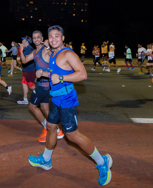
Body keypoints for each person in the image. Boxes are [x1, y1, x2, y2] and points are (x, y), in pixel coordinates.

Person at [28, 25, 112, 186]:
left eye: (56, 36)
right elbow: (56, 73)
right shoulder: (53, 54)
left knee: (72, 136)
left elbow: (82, 74)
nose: (53, 39)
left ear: (63, 38)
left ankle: (102, 162)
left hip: (67, 99)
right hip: (55, 99)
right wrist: (43, 73)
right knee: (51, 127)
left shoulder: (68, 54)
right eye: (51, 36)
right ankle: (45, 160)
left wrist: (60, 79)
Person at [19, 31, 64, 142]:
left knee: (32, 107)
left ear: (42, 38)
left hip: (45, 85)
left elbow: (51, 47)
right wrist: (20, 49)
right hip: (42, 84)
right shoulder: (35, 52)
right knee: (44, 108)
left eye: (38, 37)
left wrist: (48, 43)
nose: (36, 39)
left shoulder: (46, 49)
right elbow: (24, 61)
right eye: (34, 38)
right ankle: (57, 129)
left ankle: (47, 127)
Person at [17, 36, 36, 105]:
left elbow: (27, 59)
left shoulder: (27, 49)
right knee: (24, 83)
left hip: (29, 70)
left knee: (31, 86)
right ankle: (25, 99)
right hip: (28, 69)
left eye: (23, 40)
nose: (22, 41)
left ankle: (41, 95)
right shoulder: (29, 48)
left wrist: (21, 57)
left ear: (27, 41)